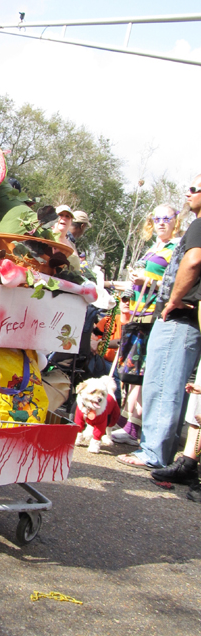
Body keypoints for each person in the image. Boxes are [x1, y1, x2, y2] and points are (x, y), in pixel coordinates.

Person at [116, 180, 201, 469]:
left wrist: (174, 299)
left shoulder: (198, 227)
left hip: (178, 317)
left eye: (195, 188)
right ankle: (156, 449)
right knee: (163, 383)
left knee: (162, 384)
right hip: (176, 317)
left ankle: (153, 452)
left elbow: (193, 261)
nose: (188, 192)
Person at [111, 204, 181, 445]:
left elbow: (176, 283)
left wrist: (149, 279)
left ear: (175, 220)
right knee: (131, 366)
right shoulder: (153, 248)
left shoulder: (176, 248)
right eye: (157, 218)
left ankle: (135, 425)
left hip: (154, 313)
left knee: (141, 368)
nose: (161, 222)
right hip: (137, 311)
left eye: (167, 218)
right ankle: (126, 419)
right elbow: (137, 281)